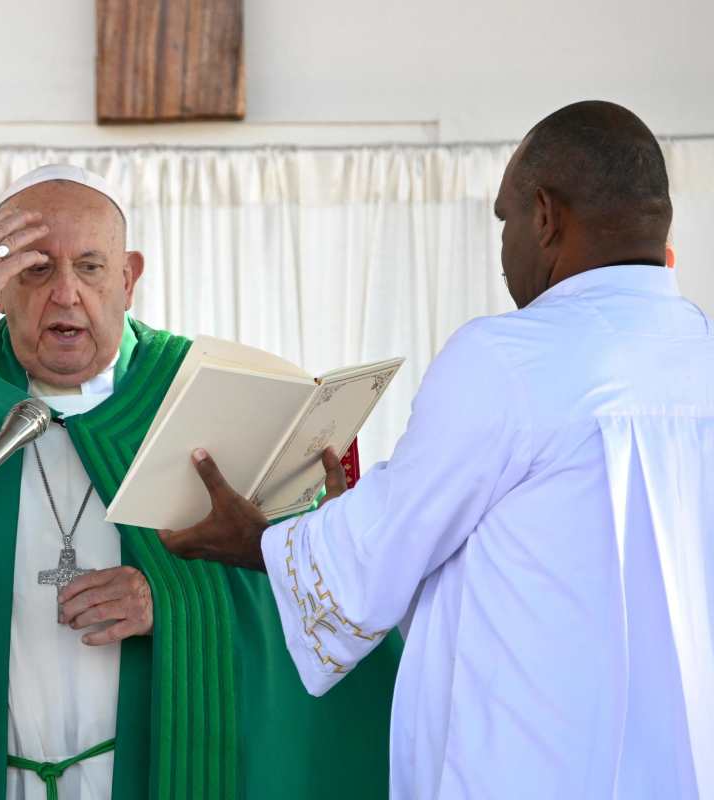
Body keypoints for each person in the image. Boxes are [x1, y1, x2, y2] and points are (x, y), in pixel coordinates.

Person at [0, 164, 402, 799]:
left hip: (146, 774)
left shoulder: (210, 397)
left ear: (128, 278)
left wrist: (170, 604)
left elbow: (314, 589)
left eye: (90, 267)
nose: (65, 294)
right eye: (35, 269)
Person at [160, 101, 714, 797]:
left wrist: (257, 540)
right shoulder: (702, 353)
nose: (506, 242)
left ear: (545, 217)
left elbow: (376, 556)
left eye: (505, 218)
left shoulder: (509, 357)